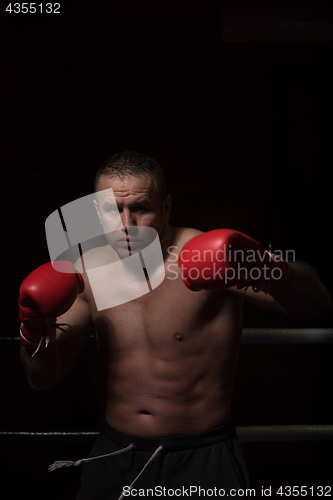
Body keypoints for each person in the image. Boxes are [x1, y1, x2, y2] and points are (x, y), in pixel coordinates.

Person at [19, 152, 331, 499]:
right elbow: (42, 376)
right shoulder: (84, 271)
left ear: (166, 207)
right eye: (112, 211)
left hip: (202, 457)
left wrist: (264, 265)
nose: (125, 224)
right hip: (118, 453)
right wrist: (32, 328)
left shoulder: (210, 256)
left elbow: (316, 303)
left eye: (140, 208)